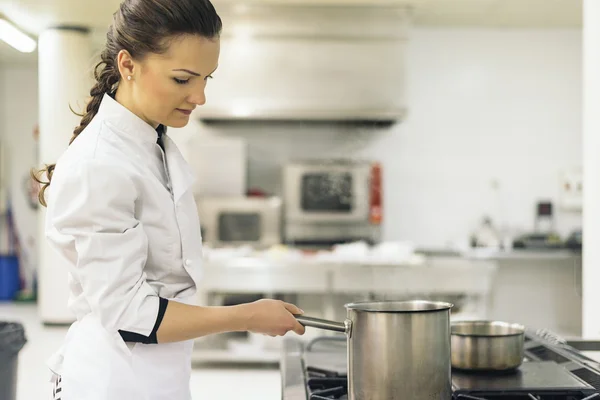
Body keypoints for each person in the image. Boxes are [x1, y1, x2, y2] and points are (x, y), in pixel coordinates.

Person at [33, 1, 306, 399]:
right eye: (183, 79)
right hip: (112, 380)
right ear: (128, 65)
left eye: (207, 79)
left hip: (156, 373)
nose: (200, 96)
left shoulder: (151, 143)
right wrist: (247, 315)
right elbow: (130, 314)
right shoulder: (98, 165)